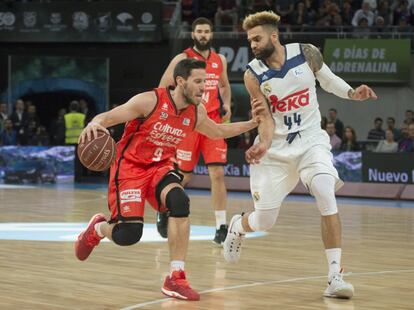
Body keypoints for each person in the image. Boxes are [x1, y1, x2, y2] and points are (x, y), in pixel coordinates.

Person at [223, 11, 377, 300]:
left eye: (256, 39)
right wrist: (263, 144)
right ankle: (238, 225)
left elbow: (328, 81)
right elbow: (265, 119)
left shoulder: (306, 53)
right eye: (249, 41)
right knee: (265, 220)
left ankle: (335, 276)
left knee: (324, 189)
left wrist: (353, 93)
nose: (252, 45)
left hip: (310, 142)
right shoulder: (252, 74)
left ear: (273, 35)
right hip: (276, 151)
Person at [74, 59, 258, 301]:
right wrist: (94, 124)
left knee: (180, 202)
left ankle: (176, 276)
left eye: (206, 81)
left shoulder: (196, 112)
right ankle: (97, 229)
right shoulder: (149, 101)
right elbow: (107, 117)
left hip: (160, 168)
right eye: (198, 81)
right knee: (128, 234)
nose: (205, 87)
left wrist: (254, 123)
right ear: (180, 81)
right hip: (130, 169)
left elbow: (219, 132)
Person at [157, 17, 232, 245]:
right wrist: (172, 113)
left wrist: (227, 104)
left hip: (212, 124)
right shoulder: (182, 58)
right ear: (193, 34)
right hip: (188, 124)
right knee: (184, 176)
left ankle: (221, 226)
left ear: (211, 34)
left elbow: (225, 85)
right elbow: (163, 86)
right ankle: (164, 208)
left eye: (206, 31)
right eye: (199, 31)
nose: (203, 34)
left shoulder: (220, 60)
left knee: (217, 174)